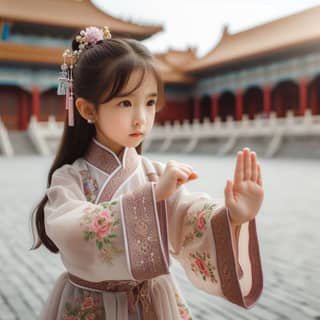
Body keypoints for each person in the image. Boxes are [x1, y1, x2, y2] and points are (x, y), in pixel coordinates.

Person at [30, 26, 264, 320]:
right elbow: (73, 231)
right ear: (88, 109)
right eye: (125, 102)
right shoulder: (69, 178)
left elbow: (186, 219)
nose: (141, 117)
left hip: (151, 302)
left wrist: (232, 217)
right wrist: (152, 197)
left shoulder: (155, 173)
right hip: (90, 304)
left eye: (150, 102)